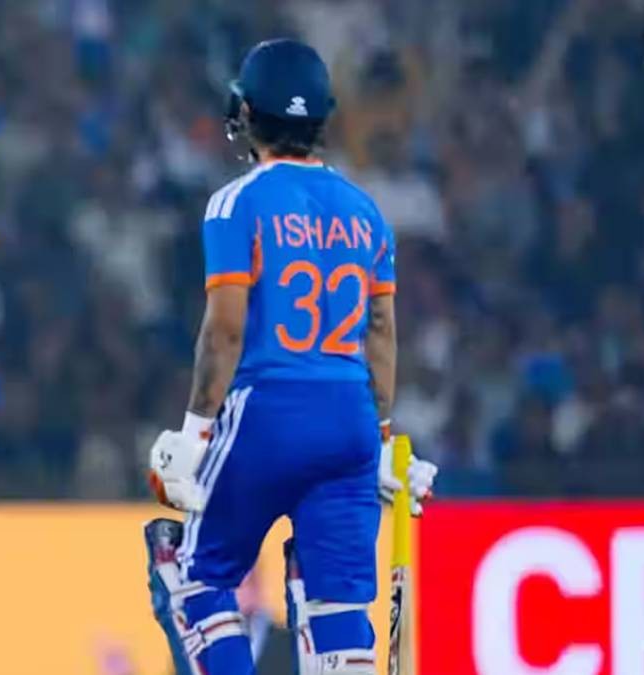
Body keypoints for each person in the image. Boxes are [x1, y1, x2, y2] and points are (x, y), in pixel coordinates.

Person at [142, 39, 437, 674]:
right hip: (350, 421)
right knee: (338, 609)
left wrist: (194, 433)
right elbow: (381, 335)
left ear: (246, 112)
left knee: (191, 577)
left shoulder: (236, 202)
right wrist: (384, 438)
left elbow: (224, 330)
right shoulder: (367, 212)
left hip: (267, 412)